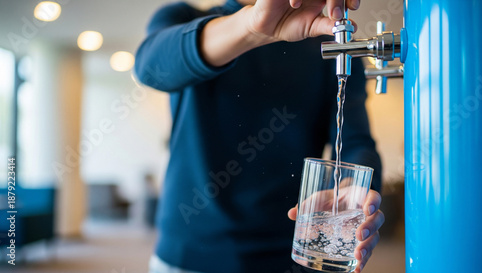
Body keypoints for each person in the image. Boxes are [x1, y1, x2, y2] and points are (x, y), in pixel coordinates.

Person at [134, 0, 385, 272]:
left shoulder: (329, 45)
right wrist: (254, 27)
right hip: (188, 252)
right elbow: (150, 68)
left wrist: (351, 191)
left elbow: (355, 142)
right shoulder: (183, 17)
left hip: (287, 254)